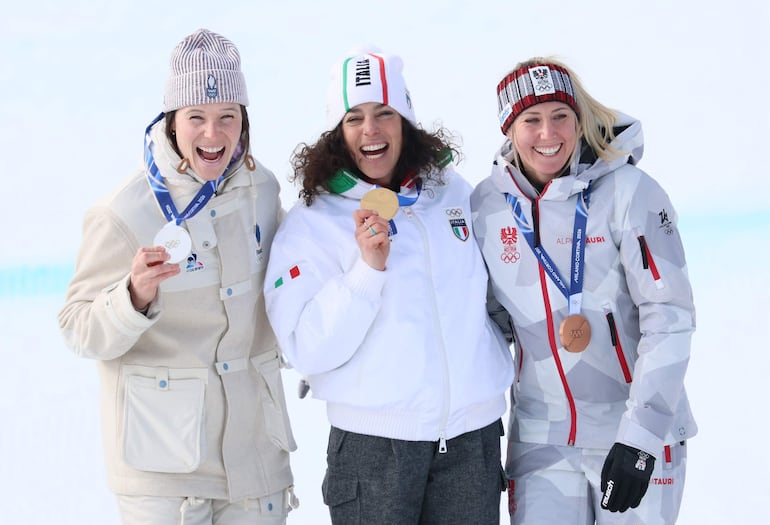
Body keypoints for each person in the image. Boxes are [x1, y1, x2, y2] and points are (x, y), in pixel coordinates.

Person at [264, 48, 514, 525]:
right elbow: (306, 348)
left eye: (384, 114)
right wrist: (366, 273)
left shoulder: (454, 194)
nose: (371, 130)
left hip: (472, 440)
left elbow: (499, 295)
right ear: (338, 134)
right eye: (354, 118)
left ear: (406, 122)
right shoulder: (312, 223)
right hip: (373, 451)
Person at [58, 29, 297, 524]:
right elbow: (77, 327)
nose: (213, 135)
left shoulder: (263, 189)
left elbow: (292, 283)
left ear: (244, 121)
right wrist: (132, 297)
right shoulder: (124, 211)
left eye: (227, 116)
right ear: (172, 121)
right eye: (197, 118)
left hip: (254, 461)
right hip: (164, 473)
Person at [470, 57, 698, 524]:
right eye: (530, 120)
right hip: (541, 441)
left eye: (561, 116)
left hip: (634, 433)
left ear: (580, 120)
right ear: (508, 129)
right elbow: (488, 323)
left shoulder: (630, 192)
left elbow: (669, 315)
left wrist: (642, 436)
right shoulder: (487, 208)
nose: (547, 133)